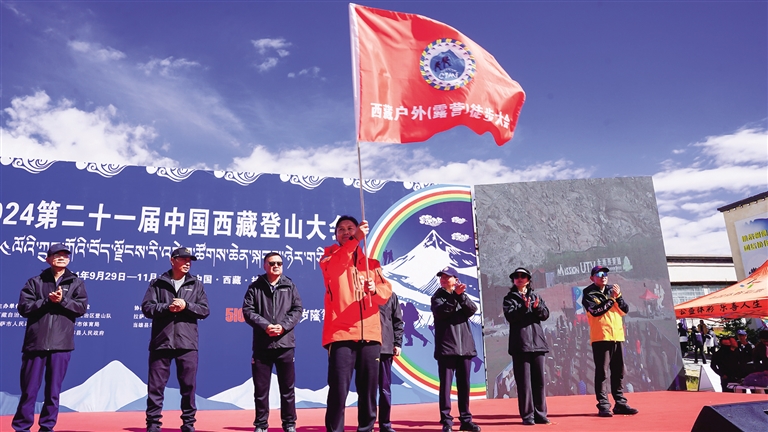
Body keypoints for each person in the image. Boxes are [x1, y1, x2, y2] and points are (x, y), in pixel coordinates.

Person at [320, 215, 392, 432]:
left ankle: (366, 429)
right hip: (341, 334)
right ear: (336, 235)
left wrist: (374, 289)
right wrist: (356, 239)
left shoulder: (372, 265)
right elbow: (337, 267)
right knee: (338, 390)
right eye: (341, 229)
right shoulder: (329, 258)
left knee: (368, 391)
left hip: (370, 334)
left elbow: (385, 294)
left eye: (350, 228)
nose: (346, 232)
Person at [12, 243, 88, 432]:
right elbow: (24, 308)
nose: (61, 258)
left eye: (65, 255)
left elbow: (81, 308)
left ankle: (47, 427)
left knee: (53, 392)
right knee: (29, 390)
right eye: (57, 255)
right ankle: (22, 427)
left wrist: (62, 300)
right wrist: (47, 301)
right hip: (36, 343)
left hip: (61, 345)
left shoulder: (76, 283)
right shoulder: (35, 282)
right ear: (48, 259)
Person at [142, 247, 210, 432]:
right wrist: (167, 308)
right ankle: (153, 424)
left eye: (190, 260)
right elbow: (147, 308)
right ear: (172, 260)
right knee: (156, 387)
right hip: (161, 342)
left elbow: (204, 310)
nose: (187, 263)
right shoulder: (158, 283)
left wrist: (186, 305)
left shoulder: (196, 284)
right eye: (183, 259)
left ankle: (188, 424)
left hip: (187, 343)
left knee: (188, 387)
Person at [242, 252, 303, 432]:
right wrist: (266, 326)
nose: (276, 266)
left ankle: (289, 424)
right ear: (265, 265)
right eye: (272, 263)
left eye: (279, 263)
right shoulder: (255, 287)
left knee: (288, 389)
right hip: (263, 346)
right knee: (261, 390)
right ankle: (261, 425)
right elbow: (248, 311)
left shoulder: (290, 286)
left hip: (285, 345)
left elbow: (297, 309)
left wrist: (283, 327)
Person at [581, 265, 638, 417]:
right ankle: (603, 405)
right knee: (602, 372)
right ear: (592, 278)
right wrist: (612, 299)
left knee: (619, 371)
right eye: (599, 274)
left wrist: (618, 297)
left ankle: (620, 403)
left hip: (617, 336)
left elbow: (624, 310)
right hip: (601, 337)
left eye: (605, 273)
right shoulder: (588, 293)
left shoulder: (613, 290)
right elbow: (596, 311)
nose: (603, 276)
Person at [431, 266, 481, 432]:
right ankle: (447, 421)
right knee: (446, 386)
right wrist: (455, 297)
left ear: (456, 280)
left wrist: (460, 296)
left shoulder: (461, 295)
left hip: (465, 349)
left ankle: (466, 420)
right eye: (442, 277)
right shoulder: (437, 297)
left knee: (464, 386)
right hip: (447, 349)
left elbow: (472, 309)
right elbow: (442, 312)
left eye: (448, 277)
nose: (444, 280)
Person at [502, 267, 551, 426]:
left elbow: (545, 315)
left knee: (539, 382)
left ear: (528, 280)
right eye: (516, 276)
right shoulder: (509, 299)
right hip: (520, 345)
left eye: (523, 276)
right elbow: (510, 316)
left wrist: (537, 308)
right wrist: (523, 307)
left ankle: (540, 414)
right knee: (524, 383)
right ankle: (528, 415)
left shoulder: (536, 296)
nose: (519, 278)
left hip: (537, 344)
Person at [378, 292, 404, 432]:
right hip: (366, 348)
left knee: (384, 389)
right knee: (366, 390)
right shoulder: (361, 291)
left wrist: (397, 343)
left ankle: (385, 424)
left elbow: (397, 320)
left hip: (385, 349)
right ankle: (366, 425)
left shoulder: (390, 295)